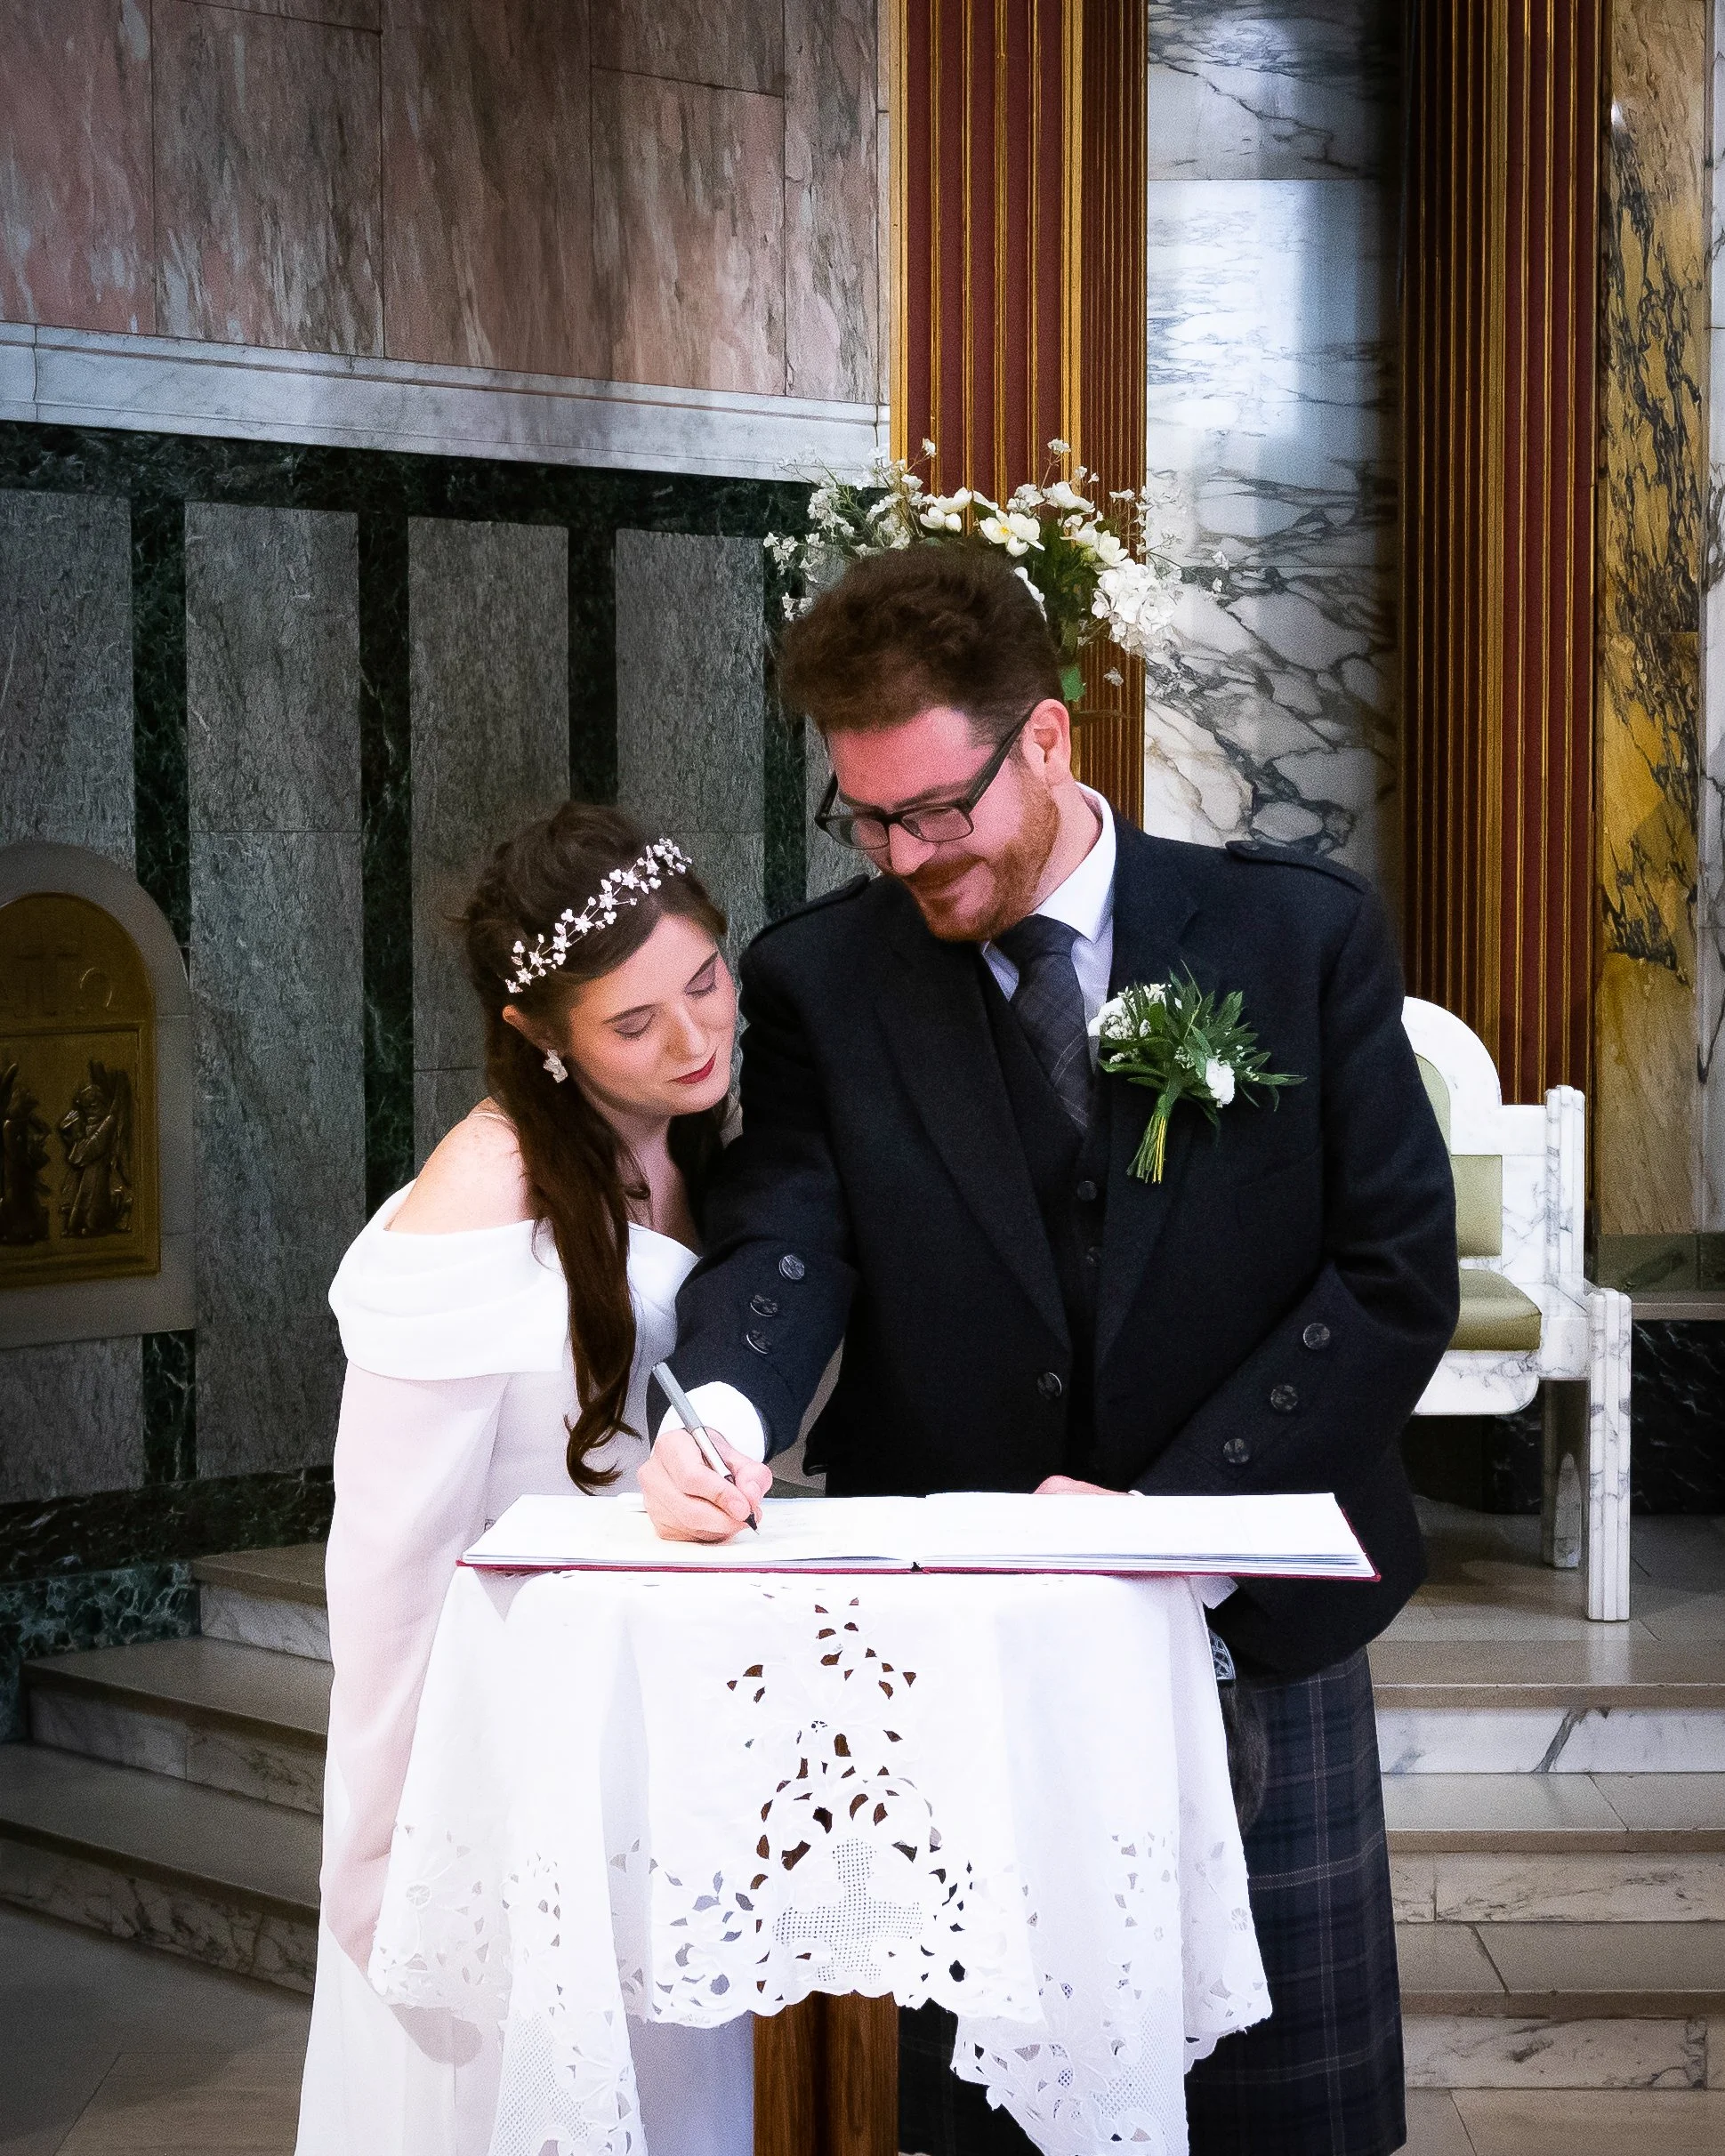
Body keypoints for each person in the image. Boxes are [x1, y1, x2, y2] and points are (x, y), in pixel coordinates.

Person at [641, 547, 1459, 2155]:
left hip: (1251, 1605)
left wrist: (1163, 1521)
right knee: (990, 2116)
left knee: (1280, 2116)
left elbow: (1388, 1278)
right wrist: (724, 1400)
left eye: (938, 810)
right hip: (970, 1646)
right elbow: (788, 1231)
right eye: (865, 819)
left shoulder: (1297, 937)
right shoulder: (823, 980)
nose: (907, 858)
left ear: (1050, 742)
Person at [294, 804, 770, 2156]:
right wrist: (380, 1843)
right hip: (508, 1730)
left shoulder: (710, 1141)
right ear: (537, 1036)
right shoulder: (486, 1184)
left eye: (703, 983)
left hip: (663, 1701)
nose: (691, 1039)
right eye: (633, 1025)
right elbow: (387, 1556)